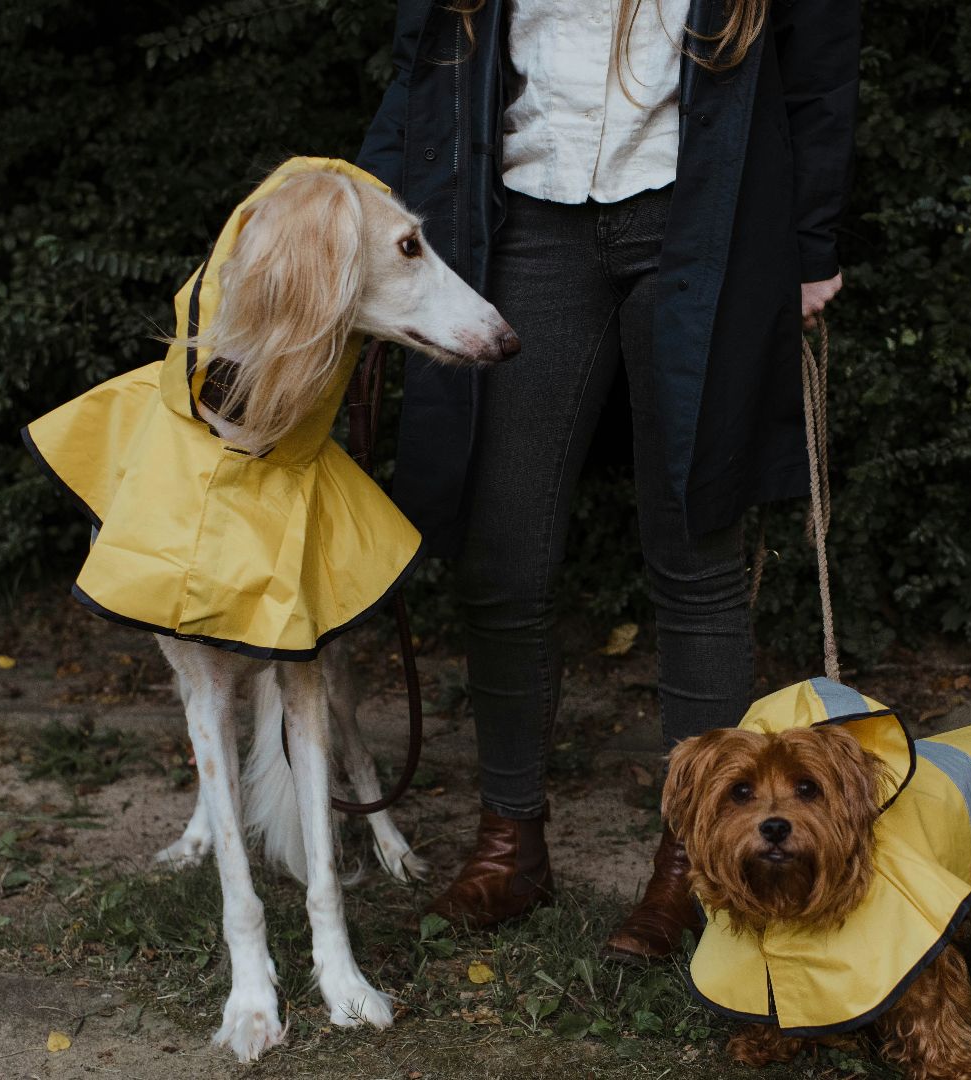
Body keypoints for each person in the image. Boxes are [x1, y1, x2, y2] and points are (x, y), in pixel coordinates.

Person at [355, 0, 859, 961]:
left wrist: (812, 243)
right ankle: (510, 843)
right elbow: (424, 65)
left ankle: (693, 864)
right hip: (526, 217)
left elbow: (821, 63)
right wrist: (373, 217)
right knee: (500, 556)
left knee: (696, 553)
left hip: (703, 218)